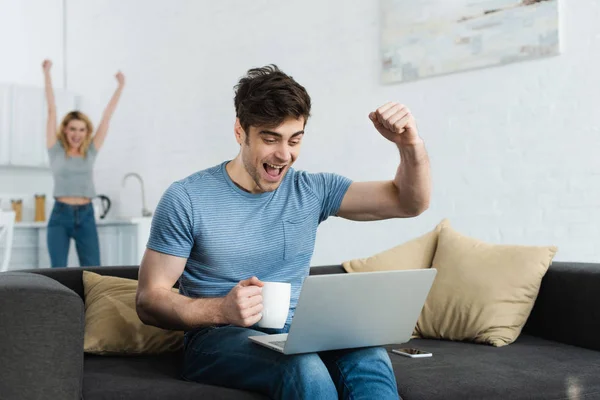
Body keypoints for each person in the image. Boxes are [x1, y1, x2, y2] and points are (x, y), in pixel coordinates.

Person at [136, 65, 430, 399]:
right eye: (270, 138)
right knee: (302, 365)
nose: (284, 155)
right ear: (240, 132)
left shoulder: (311, 190)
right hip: (216, 338)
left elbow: (409, 203)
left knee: (370, 357)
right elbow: (149, 300)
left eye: (294, 140)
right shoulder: (187, 198)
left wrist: (410, 144)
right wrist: (220, 310)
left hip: (301, 332)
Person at [42, 59, 125, 268]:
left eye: (81, 129)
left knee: (93, 270)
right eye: (72, 129)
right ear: (65, 130)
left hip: (86, 215)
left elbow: (106, 118)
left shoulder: (90, 152)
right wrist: (47, 74)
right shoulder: (55, 150)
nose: (77, 134)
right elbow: (52, 110)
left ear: (87, 132)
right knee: (58, 271)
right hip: (60, 216)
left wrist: (120, 87)